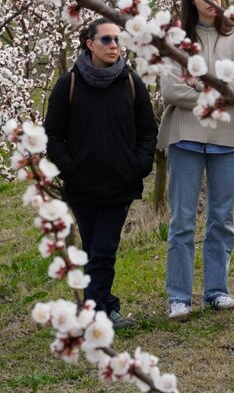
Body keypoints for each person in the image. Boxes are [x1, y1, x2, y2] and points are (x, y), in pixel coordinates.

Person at [43, 17, 159, 329]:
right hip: (82, 185)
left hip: (121, 183)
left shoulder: (131, 82)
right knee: (95, 249)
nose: (114, 46)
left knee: (104, 249)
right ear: (89, 44)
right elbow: (52, 134)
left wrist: (139, 164)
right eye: (106, 40)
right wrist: (69, 168)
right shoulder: (69, 84)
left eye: (118, 39)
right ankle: (107, 306)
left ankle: (92, 316)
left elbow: (148, 130)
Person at [159, 0, 234, 322]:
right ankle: (179, 297)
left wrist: (200, 88)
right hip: (185, 136)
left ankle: (216, 290)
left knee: (221, 217)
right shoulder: (176, 40)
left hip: (228, 138)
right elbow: (170, 90)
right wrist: (218, 91)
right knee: (182, 219)